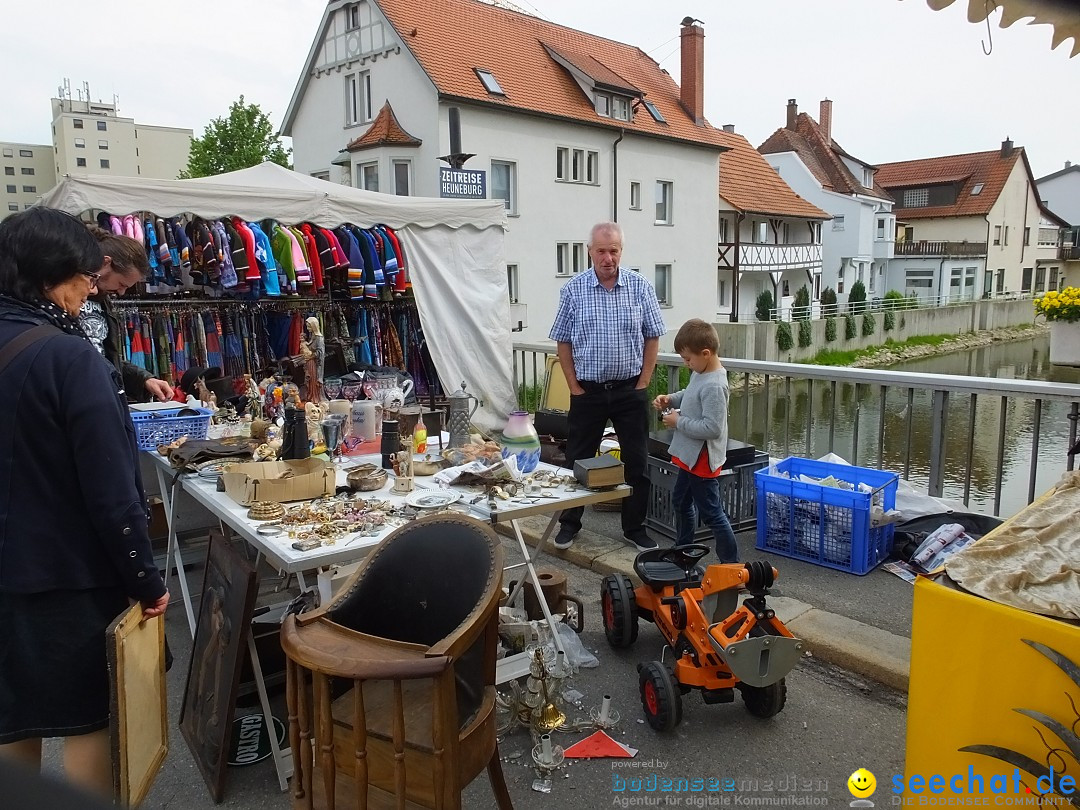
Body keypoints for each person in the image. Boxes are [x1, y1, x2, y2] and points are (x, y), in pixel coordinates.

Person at [0, 208, 169, 799]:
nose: (89, 290)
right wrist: (147, 582)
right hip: (67, 575)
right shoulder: (71, 357)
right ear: (54, 273)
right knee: (86, 720)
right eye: (84, 276)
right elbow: (112, 492)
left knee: (14, 716)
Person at [548, 222, 665, 551]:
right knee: (577, 460)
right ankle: (569, 524)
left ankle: (634, 528)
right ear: (590, 251)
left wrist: (643, 382)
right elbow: (563, 341)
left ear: (621, 252)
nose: (607, 257)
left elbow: (653, 335)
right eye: (601, 250)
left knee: (638, 463)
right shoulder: (573, 290)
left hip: (630, 391)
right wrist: (573, 387)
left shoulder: (640, 287)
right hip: (589, 392)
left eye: (613, 250)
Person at [652, 319, 738, 562]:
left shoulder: (715, 386)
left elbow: (712, 428)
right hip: (689, 457)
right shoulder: (702, 374)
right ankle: (684, 551)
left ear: (706, 354)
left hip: (701, 461)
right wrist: (671, 399)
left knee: (712, 514)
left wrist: (678, 422)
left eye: (688, 359)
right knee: (680, 502)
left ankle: (732, 565)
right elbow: (690, 395)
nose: (686, 364)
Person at [82, 226, 173, 402]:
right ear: (106, 264)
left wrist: (144, 379)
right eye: (122, 284)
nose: (122, 292)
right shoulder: (64, 302)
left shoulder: (104, 303)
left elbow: (105, 358)